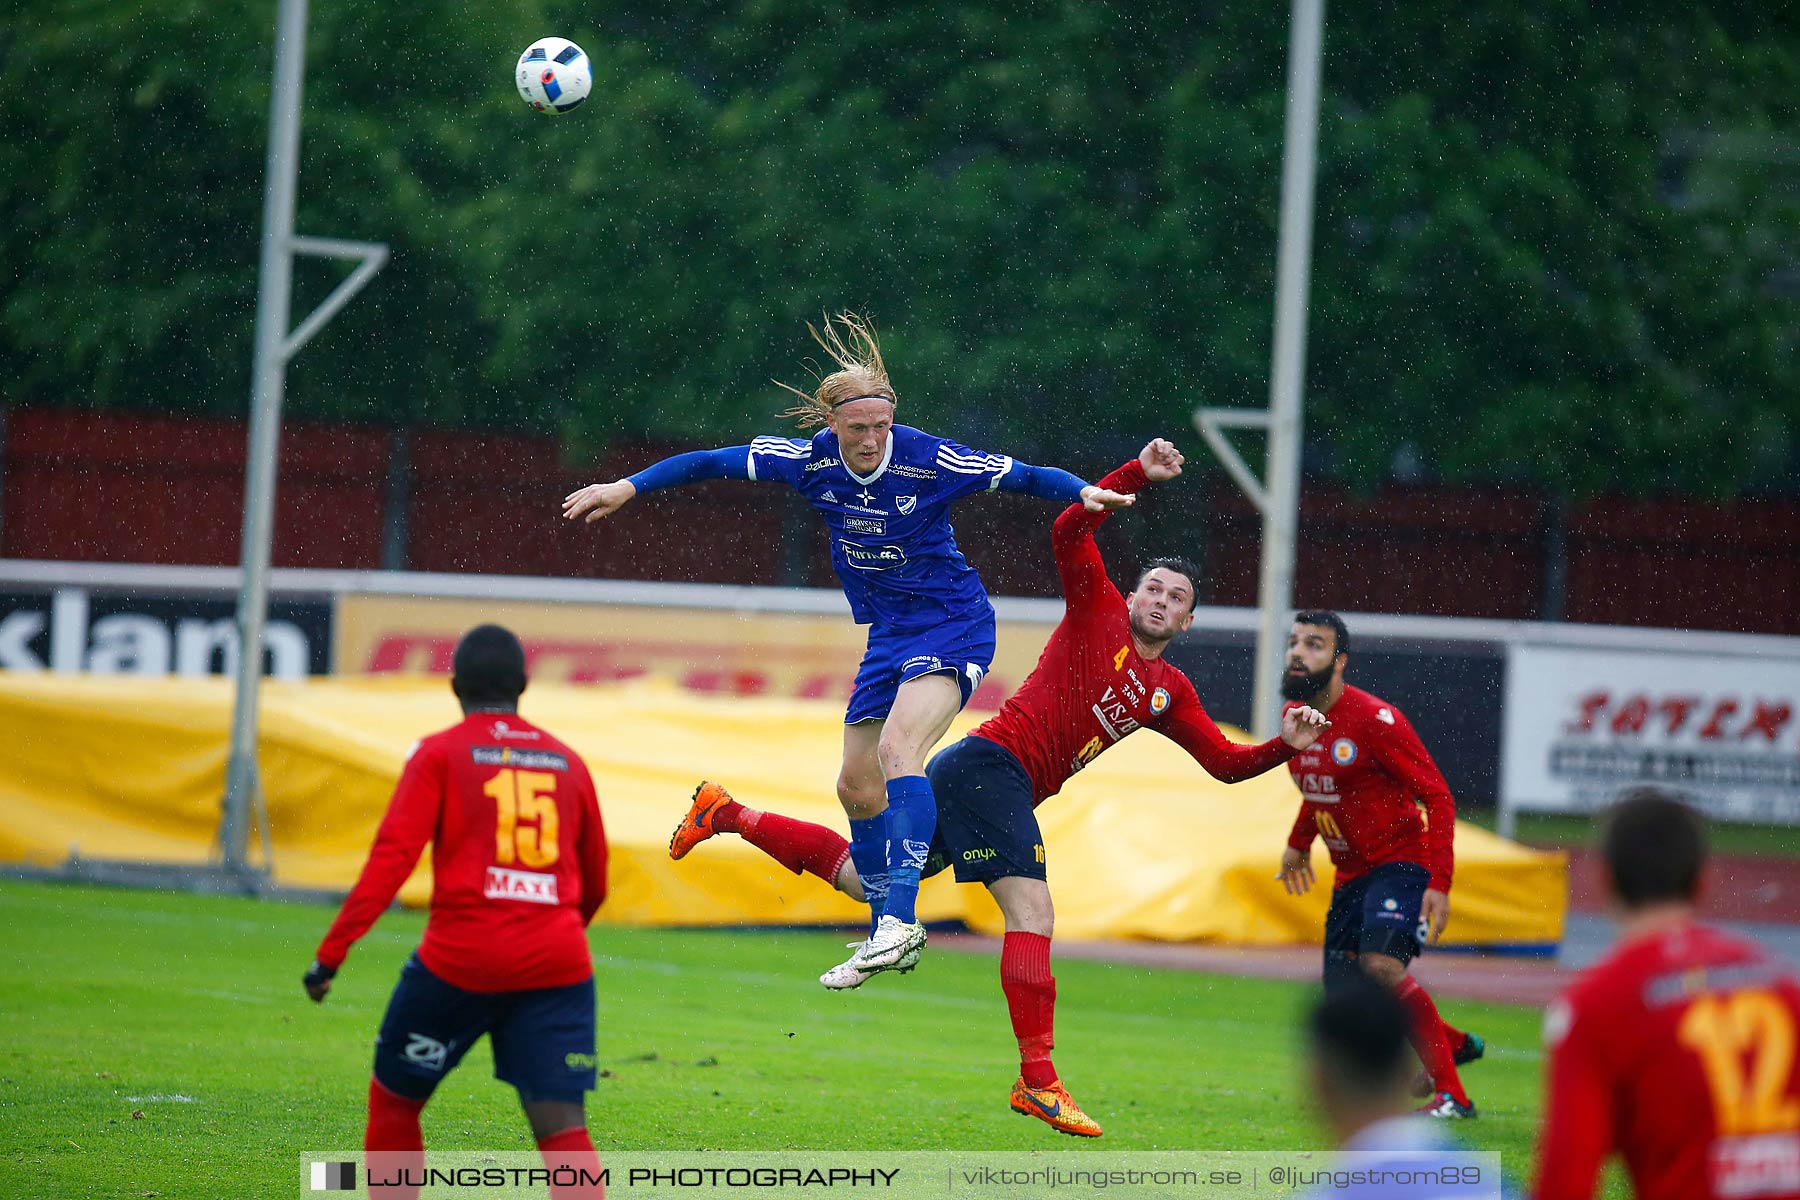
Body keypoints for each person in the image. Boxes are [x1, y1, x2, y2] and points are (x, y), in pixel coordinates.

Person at [664, 439, 1329, 1137]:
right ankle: (1037, 1079)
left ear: (1188, 622)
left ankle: (729, 812)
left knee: (865, 880)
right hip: (990, 768)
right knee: (1033, 914)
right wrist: (1127, 475)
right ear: (1131, 594)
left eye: (1176, 599)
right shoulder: (1096, 607)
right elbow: (1069, 528)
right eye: (1153, 588)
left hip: (981, 781)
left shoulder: (1169, 692)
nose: (1160, 601)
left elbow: (1225, 763)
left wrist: (1289, 745)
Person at [562, 313, 1133, 983]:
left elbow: (1024, 475)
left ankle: (897, 922)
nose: (870, 441)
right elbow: (712, 461)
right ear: (832, 424)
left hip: (953, 622)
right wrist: (627, 486)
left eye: (879, 428)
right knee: (856, 786)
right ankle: (879, 922)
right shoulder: (810, 461)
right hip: (890, 634)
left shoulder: (929, 458)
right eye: (857, 429)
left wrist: (1083, 490)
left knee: (898, 752)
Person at [302, 625, 609, 1200]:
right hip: (558, 965)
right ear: (523, 684)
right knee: (562, 1127)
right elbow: (595, 880)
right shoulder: (568, 762)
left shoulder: (440, 752)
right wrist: (550, 932)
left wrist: (330, 956)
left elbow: (392, 860)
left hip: (459, 963)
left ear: (454, 687)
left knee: (395, 1099)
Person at [1533, 788, 1800, 1200]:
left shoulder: (1599, 1004)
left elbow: (1565, 1184)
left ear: (1604, 878)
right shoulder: (1779, 981)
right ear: (1703, 880)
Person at [1274, 610, 1483, 1119]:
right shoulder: (1297, 720)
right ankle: (1450, 1043)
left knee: (1382, 967)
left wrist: (1440, 880)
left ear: (1339, 661)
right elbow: (1326, 789)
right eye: (1295, 642)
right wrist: (1299, 842)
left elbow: (1438, 796)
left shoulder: (1375, 719)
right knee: (1346, 1000)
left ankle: (1453, 1097)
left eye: (1315, 645)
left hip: (1400, 865)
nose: (1299, 652)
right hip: (1350, 877)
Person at [1303, 977, 1478, 1200]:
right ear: (1408, 1069)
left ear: (1319, 1084)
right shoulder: (1493, 1185)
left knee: (1380, 967)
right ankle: (1451, 1047)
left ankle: (1450, 1081)